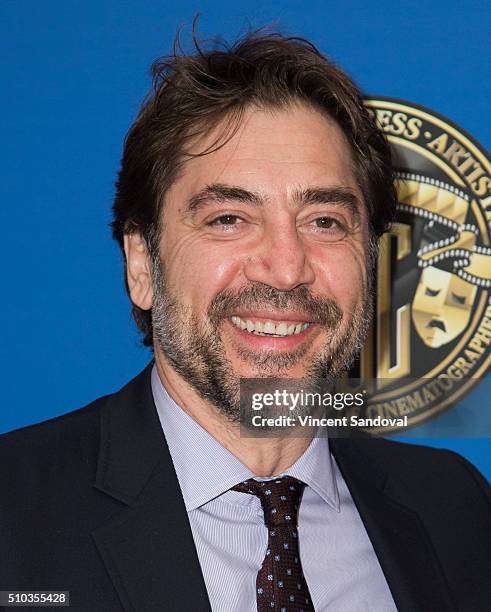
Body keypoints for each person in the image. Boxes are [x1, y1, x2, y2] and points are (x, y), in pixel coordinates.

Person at [1, 30, 490, 612]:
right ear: (142, 264)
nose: (286, 269)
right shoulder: (15, 511)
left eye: (326, 221)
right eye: (230, 218)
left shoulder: (454, 506)